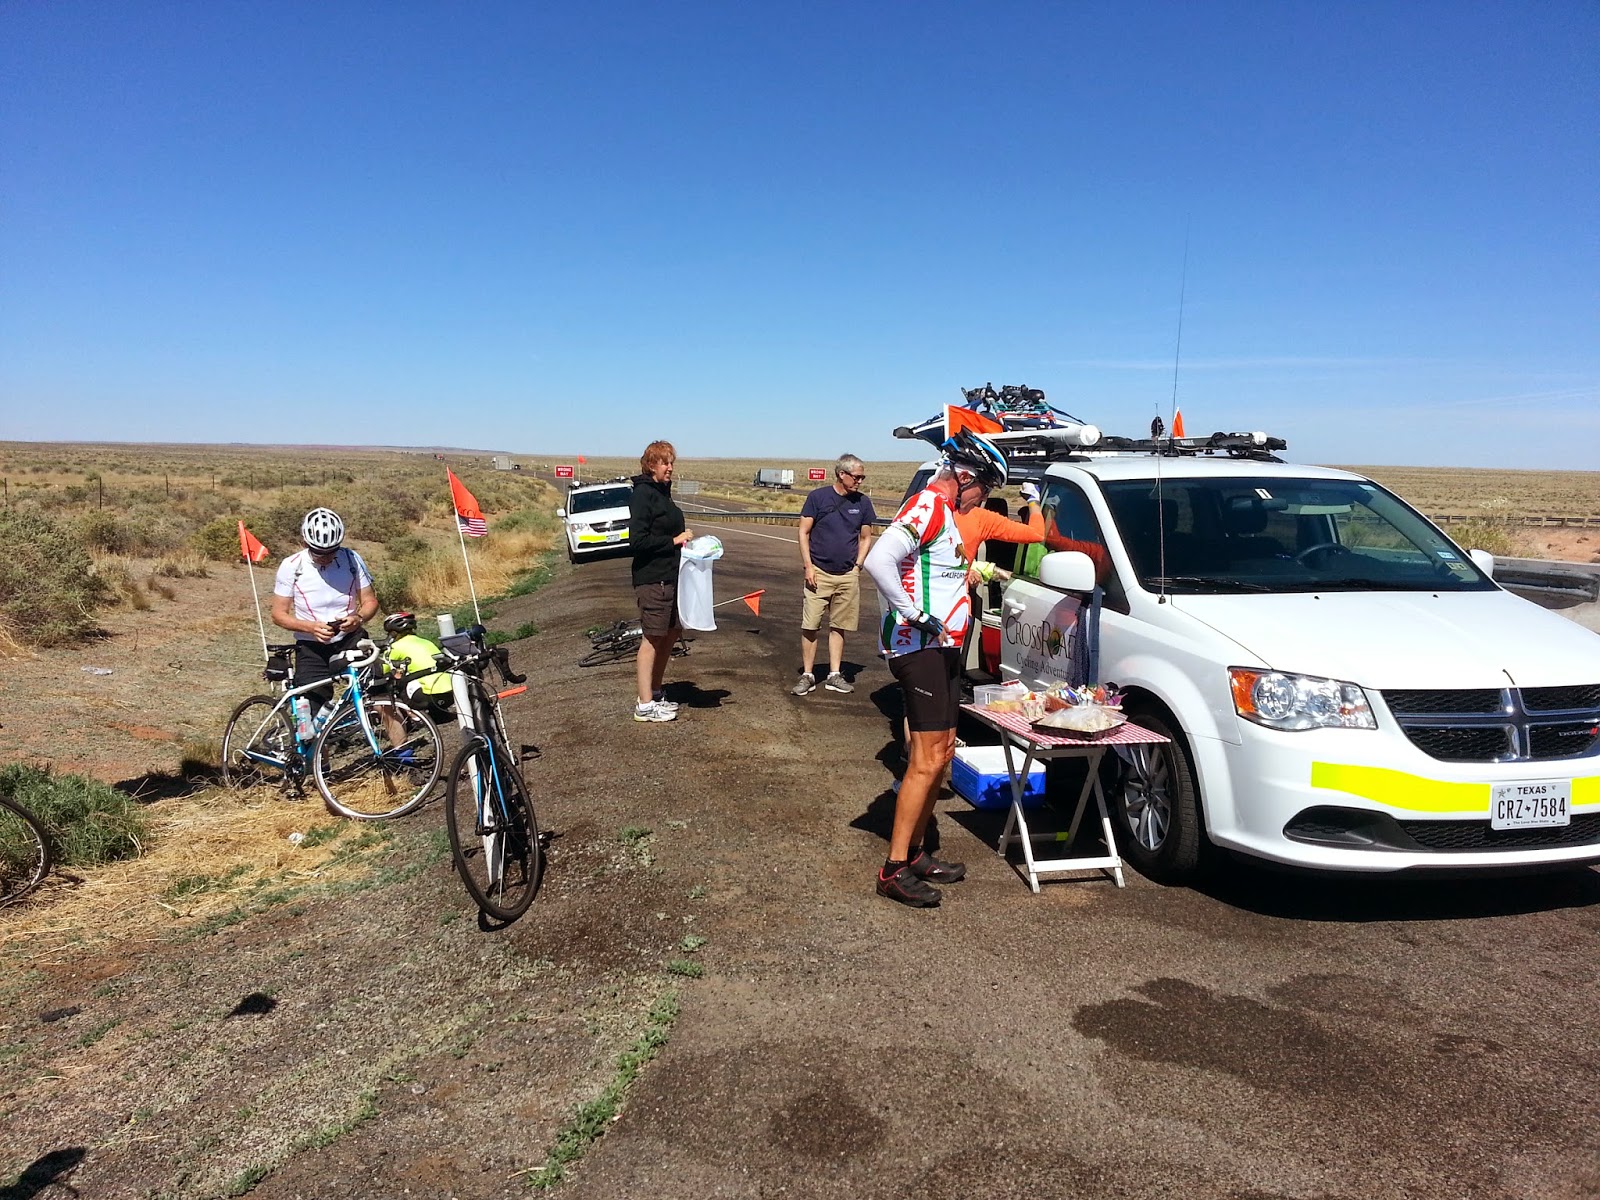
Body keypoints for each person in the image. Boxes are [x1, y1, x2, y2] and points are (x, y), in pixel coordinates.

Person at [862, 430, 1009, 907]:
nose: (983, 499)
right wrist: (910, 612)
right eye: (983, 489)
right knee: (926, 760)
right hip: (918, 648)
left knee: (944, 751)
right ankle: (894, 868)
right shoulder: (926, 506)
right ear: (963, 477)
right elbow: (879, 560)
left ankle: (920, 851)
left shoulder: (945, 514)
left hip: (943, 647)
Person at [270, 508, 378, 713]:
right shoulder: (291, 566)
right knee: (310, 713)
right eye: (319, 553)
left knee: (377, 692)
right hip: (312, 646)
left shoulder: (351, 559)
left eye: (332, 551)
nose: (327, 558)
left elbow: (370, 601)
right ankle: (318, 743)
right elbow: (278, 614)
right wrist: (310, 628)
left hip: (350, 638)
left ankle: (401, 746)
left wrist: (358, 618)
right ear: (305, 543)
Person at [793, 454, 877, 696]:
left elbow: (865, 537)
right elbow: (803, 532)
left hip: (847, 575)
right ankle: (808, 675)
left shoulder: (863, 503)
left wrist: (858, 566)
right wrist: (808, 566)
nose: (860, 481)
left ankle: (834, 674)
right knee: (810, 625)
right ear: (842, 474)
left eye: (862, 477)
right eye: (857, 476)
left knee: (839, 626)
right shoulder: (817, 498)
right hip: (818, 572)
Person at [629, 440, 694, 723]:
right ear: (651, 465)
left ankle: (655, 691)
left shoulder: (662, 494)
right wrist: (673, 540)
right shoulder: (644, 494)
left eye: (671, 463)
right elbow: (637, 541)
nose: (670, 468)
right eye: (665, 463)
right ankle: (644, 705)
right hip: (653, 578)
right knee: (652, 638)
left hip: (672, 576)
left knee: (669, 634)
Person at [380, 611, 454, 722]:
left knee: (393, 681)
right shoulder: (427, 642)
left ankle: (414, 718)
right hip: (450, 693)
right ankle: (439, 714)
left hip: (425, 697)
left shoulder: (394, 647)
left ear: (393, 632)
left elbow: (383, 670)